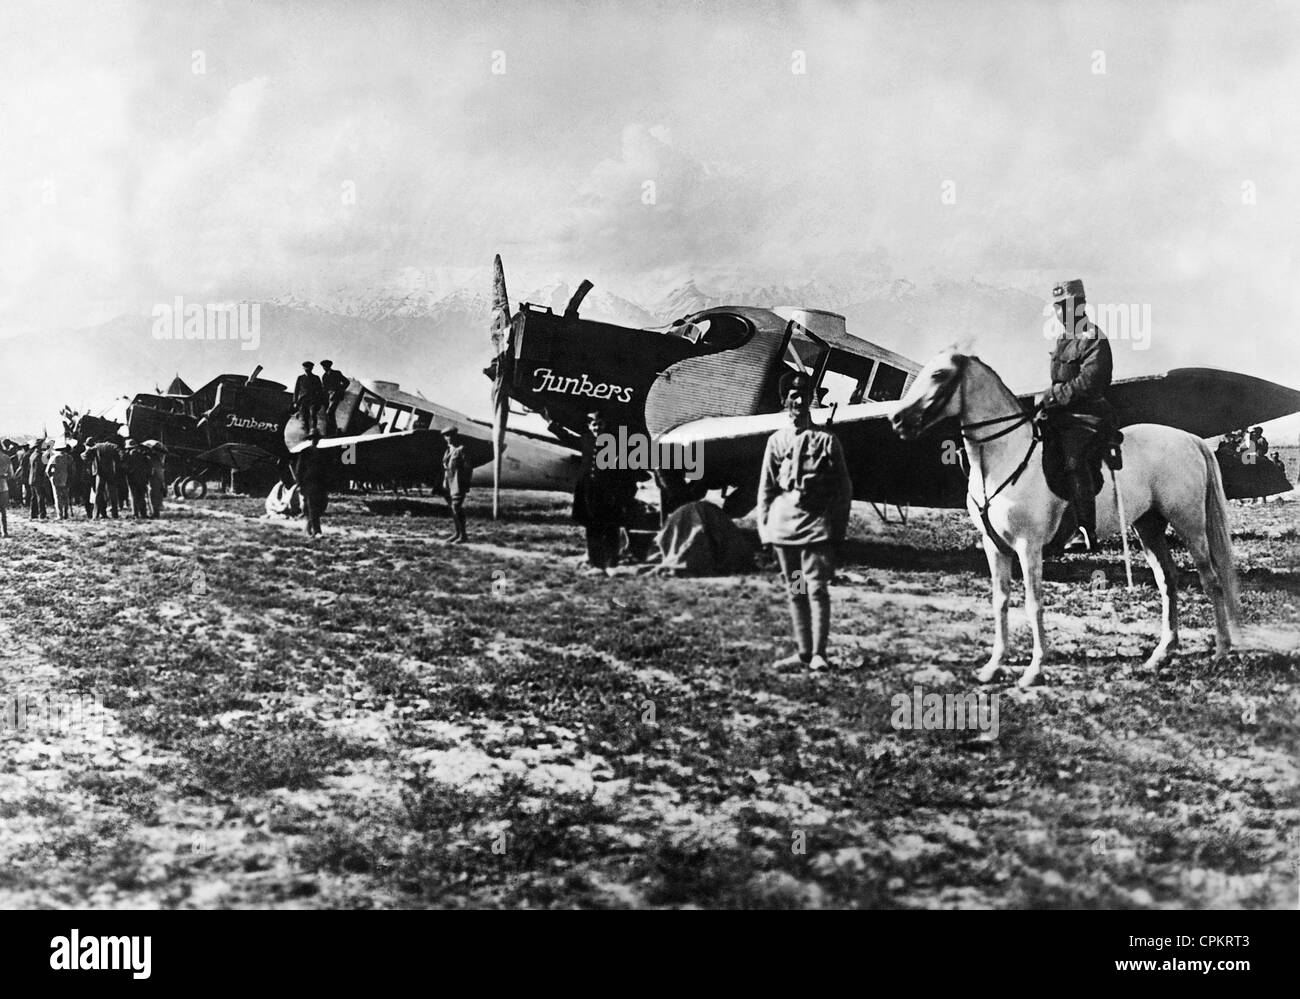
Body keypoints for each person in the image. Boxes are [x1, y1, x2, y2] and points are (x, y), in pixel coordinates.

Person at [758, 370, 854, 672]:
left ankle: (819, 654)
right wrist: (764, 530)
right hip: (784, 528)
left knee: (817, 589)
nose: (799, 400)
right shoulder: (776, 441)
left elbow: (843, 488)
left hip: (815, 527)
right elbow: (767, 488)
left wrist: (836, 529)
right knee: (796, 589)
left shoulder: (827, 440)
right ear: (785, 400)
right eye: (793, 395)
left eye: (804, 394)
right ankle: (802, 652)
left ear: (811, 398)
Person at [1036, 278, 1114, 553]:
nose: (1062, 312)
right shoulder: (1062, 340)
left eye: (1069, 306)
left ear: (1081, 306)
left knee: (1074, 462)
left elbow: (1090, 382)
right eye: (1058, 307)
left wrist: (1053, 396)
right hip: (1062, 416)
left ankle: (1085, 531)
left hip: (1088, 418)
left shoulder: (1094, 338)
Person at [572, 410, 641, 575]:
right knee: (592, 529)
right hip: (588, 492)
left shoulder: (616, 442)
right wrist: (550, 423)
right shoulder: (585, 439)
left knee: (611, 528)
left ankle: (611, 564)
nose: (597, 428)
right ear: (589, 426)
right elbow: (566, 437)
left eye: (600, 424)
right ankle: (596, 565)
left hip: (609, 493)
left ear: (605, 424)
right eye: (594, 425)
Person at [441, 427, 471, 543]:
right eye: (446, 436)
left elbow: (468, 468)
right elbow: (446, 467)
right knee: (454, 509)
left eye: (451, 435)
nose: (449, 438)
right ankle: (457, 533)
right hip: (449, 483)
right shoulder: (448, 450)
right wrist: (445, 481)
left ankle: (463, 535)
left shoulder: (461, 450)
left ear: (455, 436)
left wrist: (466, 484)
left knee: (456, 508)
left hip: (459, 483)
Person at [86, 436, 121, 519]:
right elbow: (120, 453)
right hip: (110, 472)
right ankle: (115, 514)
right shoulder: (112, 446)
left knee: (98, 494)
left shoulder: (96, 447)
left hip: (100, 472)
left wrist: (91, 461)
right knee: (112, 493)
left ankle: (95, 515)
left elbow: (84, 455)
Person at [293, 361, 325, 434]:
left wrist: (320, 401)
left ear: (312, 368)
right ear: (303, 368)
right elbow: (296, 390)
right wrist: (295, 402)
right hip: (303, 400)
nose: (307, 369)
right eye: (306, 367)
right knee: (305, 417)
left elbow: (320, 390)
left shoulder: (316, 378)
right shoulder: (300, 378)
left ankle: (313, 430)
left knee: (313, 414)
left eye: (309, 367)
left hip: (313, 400)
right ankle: (307, 433)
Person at [123, 439, 152, 518]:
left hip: (132, 479)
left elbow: (125, 467)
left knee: (134, 496)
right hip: (142, 478)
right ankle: (143, 514)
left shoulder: (128, 455)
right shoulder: (142, 454)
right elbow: (149, 465)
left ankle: (135, 513)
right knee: (142, 496)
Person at [46, 443, 73, 519]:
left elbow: (47, 470)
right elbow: (72, 469)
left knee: (58, 497)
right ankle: (66, 514)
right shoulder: (69, 457)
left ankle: (60, 515)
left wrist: (50, 477)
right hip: (66, 479)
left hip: (56, 479)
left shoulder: (54, 457)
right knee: (66, 497)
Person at [321, 360, 348, 434]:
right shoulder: (324, 376)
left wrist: (339, 390)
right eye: (323, 366)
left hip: (337, 395)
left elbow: (346, 382)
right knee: (328, 413)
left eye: (326, 366)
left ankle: (335, 430)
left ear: (329, 366)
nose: (325, 368)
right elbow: (325, 388)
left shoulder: (336, 373)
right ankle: (331, 430)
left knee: (329, 412)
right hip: (329, 396)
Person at [28, 441, 51, 519]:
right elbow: (39, 468)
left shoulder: (32, 455)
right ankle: (42, 514)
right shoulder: (39, 456)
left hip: (31, 478)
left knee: (33, 497)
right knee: (40, 497)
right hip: (38, 479)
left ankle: (33, 514)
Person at [147, 442, 167, 517]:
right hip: (159, 477)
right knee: (157, 495)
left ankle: (154, 512)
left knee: (153, 495)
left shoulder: (153, 458)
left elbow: (155, 469)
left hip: (155, 477)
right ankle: (155, 511)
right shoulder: (160, 457)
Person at [0, 446, 10, 537]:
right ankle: (5, 531)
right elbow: (11, 474)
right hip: (3, 486)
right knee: (3, 511)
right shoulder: (6, 458)